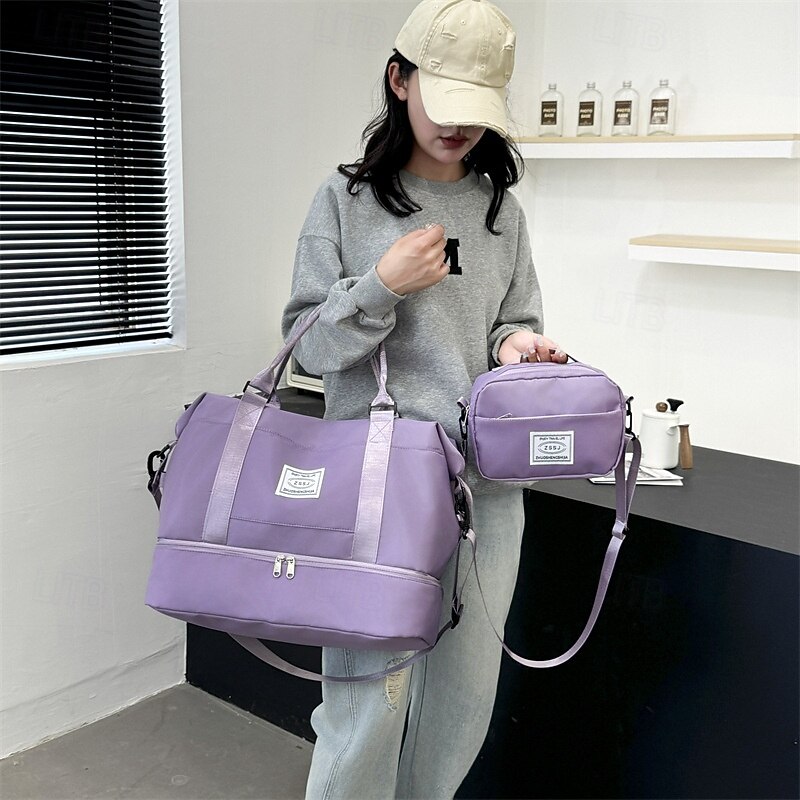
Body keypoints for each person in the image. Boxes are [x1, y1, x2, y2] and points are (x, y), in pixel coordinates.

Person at [281, 1, 567, 797]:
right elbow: (306, 347)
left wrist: (516, 347)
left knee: (462, 704)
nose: (460, 126)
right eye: (446, 102)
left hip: (488, 490)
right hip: (379, 487)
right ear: (399, 80)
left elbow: (510, 321)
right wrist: (381, 285)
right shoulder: (344, 201)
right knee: (366, 705)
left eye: (478, 110)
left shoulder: (501, 211)